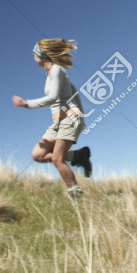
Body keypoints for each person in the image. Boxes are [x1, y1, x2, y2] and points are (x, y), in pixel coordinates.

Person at [12, 38, 92, 199]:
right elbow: (74, 90)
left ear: (41, 55)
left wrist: (27, 104)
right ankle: (78, 156)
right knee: (38, 155)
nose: (33, 57)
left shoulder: (57, 70)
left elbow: (53, 98)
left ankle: (76, 195)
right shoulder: (50, 74)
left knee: (57, 159)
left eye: (34, 54)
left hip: (69, 119)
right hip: (58, 122)